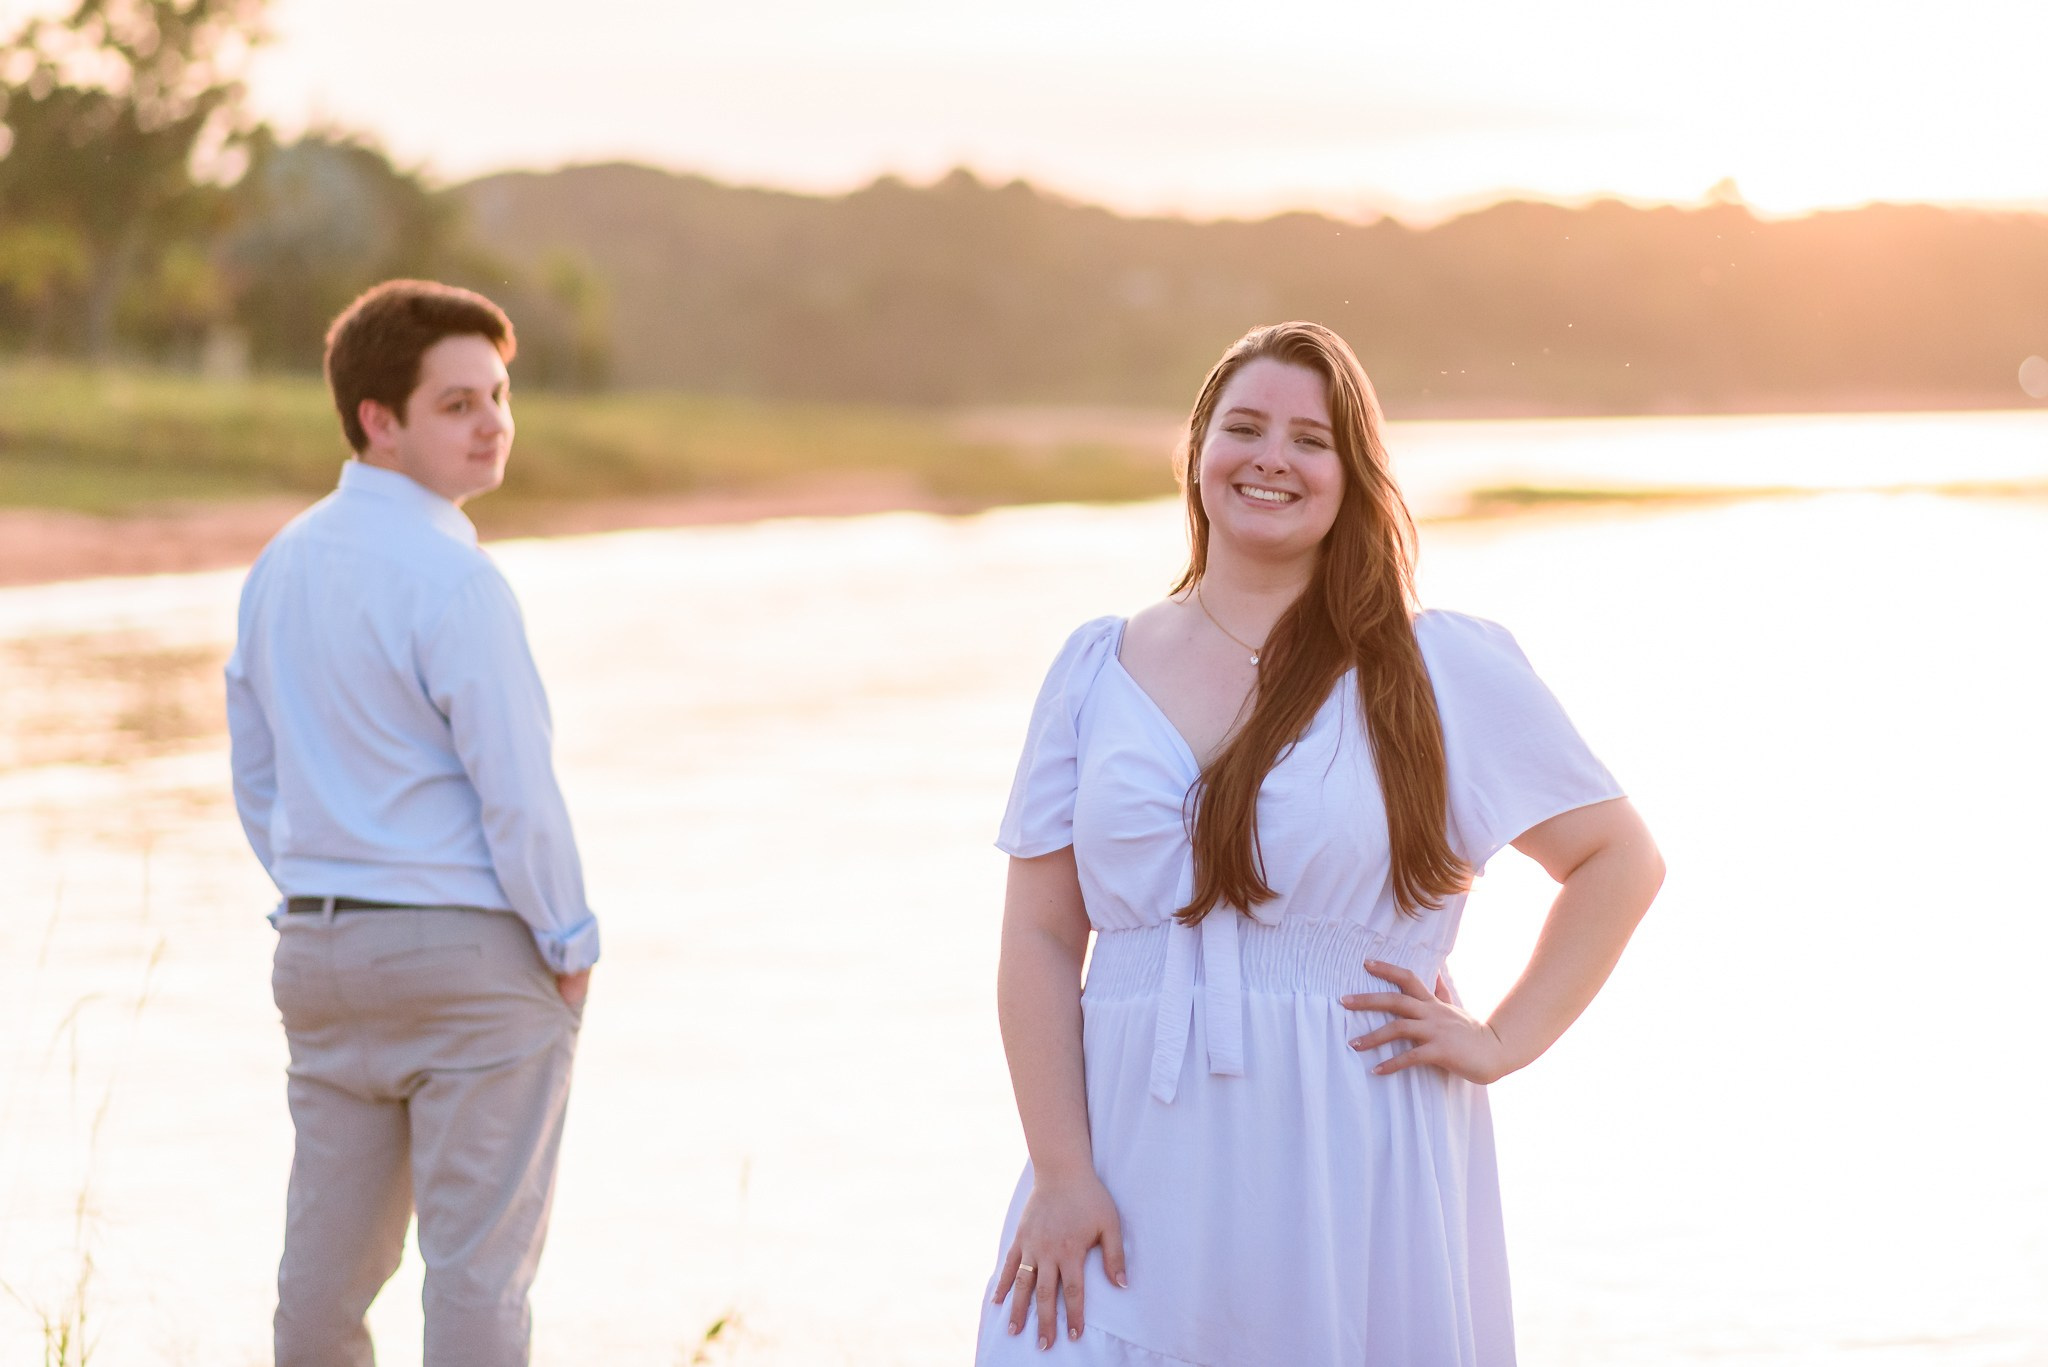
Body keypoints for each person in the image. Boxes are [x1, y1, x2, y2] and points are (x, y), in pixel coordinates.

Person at [974, 321, 1664, 1365]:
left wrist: (1502, 1038)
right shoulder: (1093, 668)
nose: (1270, 458)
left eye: (1309, 439)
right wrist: (1061, 1173)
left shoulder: (1433, 667)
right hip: (1124, 1144)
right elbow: (1035, 936)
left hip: (1352, 1139)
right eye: (1243, 426)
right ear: (1196, 451)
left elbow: (1617, 857)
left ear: (1351, 474)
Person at [225, 279, 600, 1367]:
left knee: (321, 1277)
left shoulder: (278, 563)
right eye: (456, 403)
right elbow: (518, 792)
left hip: (321, 948)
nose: (492, 423)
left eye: (499, 395)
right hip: (466, 957)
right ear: (375, 420)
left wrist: (320, 886)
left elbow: (256, 770)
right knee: (479, 1272)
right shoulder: (456, 577)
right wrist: (569, 943)